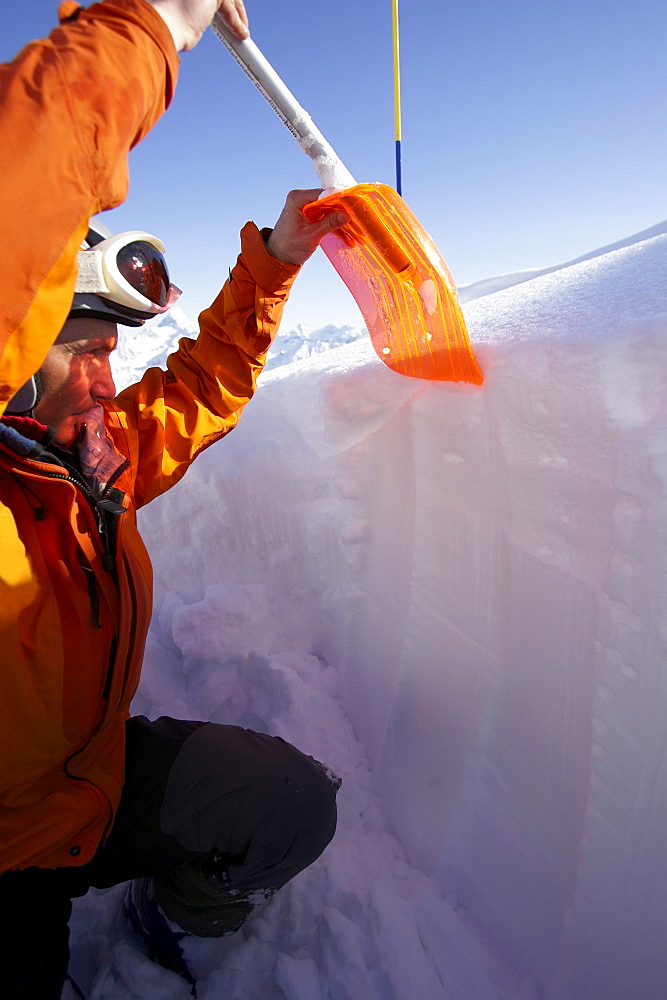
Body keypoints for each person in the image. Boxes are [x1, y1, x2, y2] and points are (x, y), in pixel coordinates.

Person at [0, 2, 347, 997]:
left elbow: (196, 389)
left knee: (284, 805)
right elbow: (16, 190)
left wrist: (273, 262)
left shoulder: (88, 454)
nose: (111, 380)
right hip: (6, 855)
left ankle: (170, 921)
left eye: (117, 349)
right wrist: (149, 23)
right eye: (86, 350)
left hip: (88, 796)